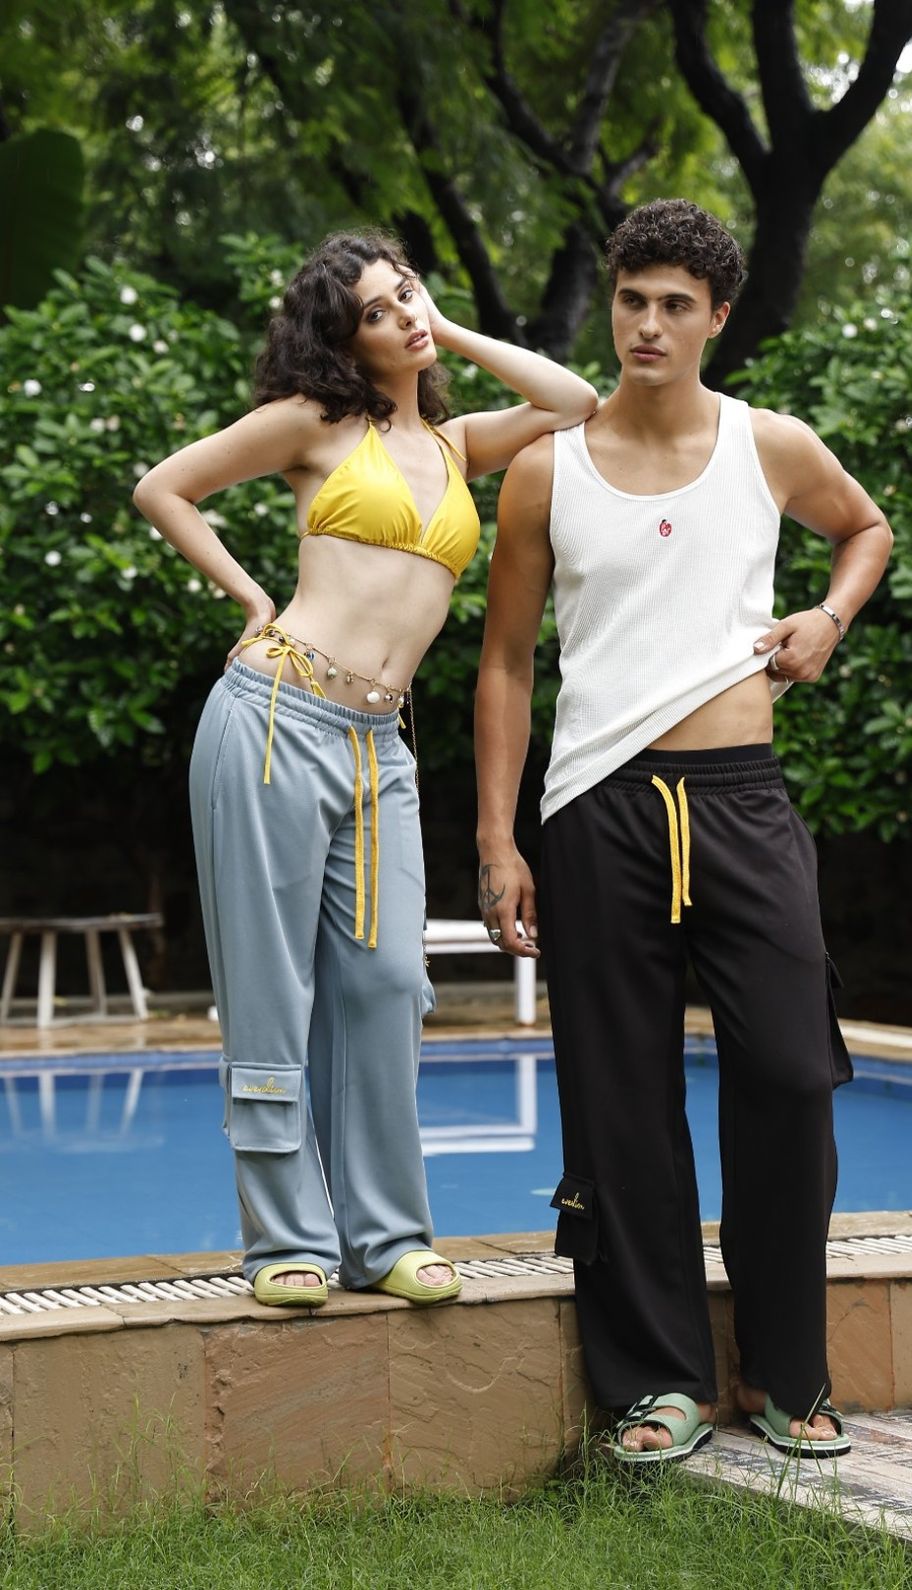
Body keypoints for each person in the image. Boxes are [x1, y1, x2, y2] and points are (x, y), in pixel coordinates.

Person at [474, 199, 893, 1461]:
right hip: (596, 806)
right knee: (620, 1096)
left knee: (791, 1070)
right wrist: (497, 841)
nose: (646, 325)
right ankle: (656, 1380)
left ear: (715, 317)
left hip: (741, 799)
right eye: (630, 300)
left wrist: (828, 618)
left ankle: (784, 1371)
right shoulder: (547, 469)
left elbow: (865, 529)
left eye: (673, 305)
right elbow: (504, 664)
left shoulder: (769, 445)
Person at [133, 230, 597, 1310]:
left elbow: (574, 401)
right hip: (274, 718)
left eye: (409, 295)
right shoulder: (315, 423)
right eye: (379, 311)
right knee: (271, 987)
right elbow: (165, 488)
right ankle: (283, 1242)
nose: (404, 317)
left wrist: (448, 331)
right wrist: (252, 595)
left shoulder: (459, 446)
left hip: (380, 746)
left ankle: (384, 1238)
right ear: (344, 338)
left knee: (388, 983)